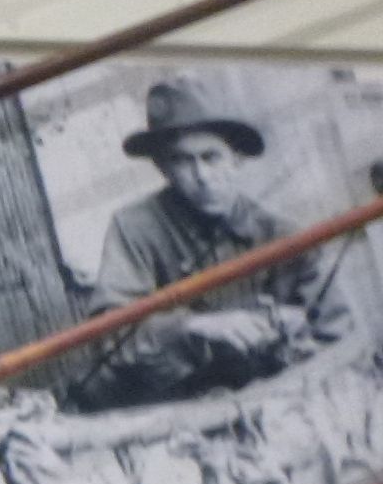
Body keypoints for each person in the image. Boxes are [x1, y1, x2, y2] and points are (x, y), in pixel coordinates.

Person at [80, 75, 352, 407]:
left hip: (280, 402)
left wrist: (288, 342)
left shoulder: (286, 237)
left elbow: (337, 338)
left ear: (236, 158)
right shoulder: (135, 228)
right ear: (163, 167)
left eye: (211, 157)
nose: (202, 177)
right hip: (173, 407)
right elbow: (110, 337)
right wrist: (193, 327)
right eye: (182, 160)